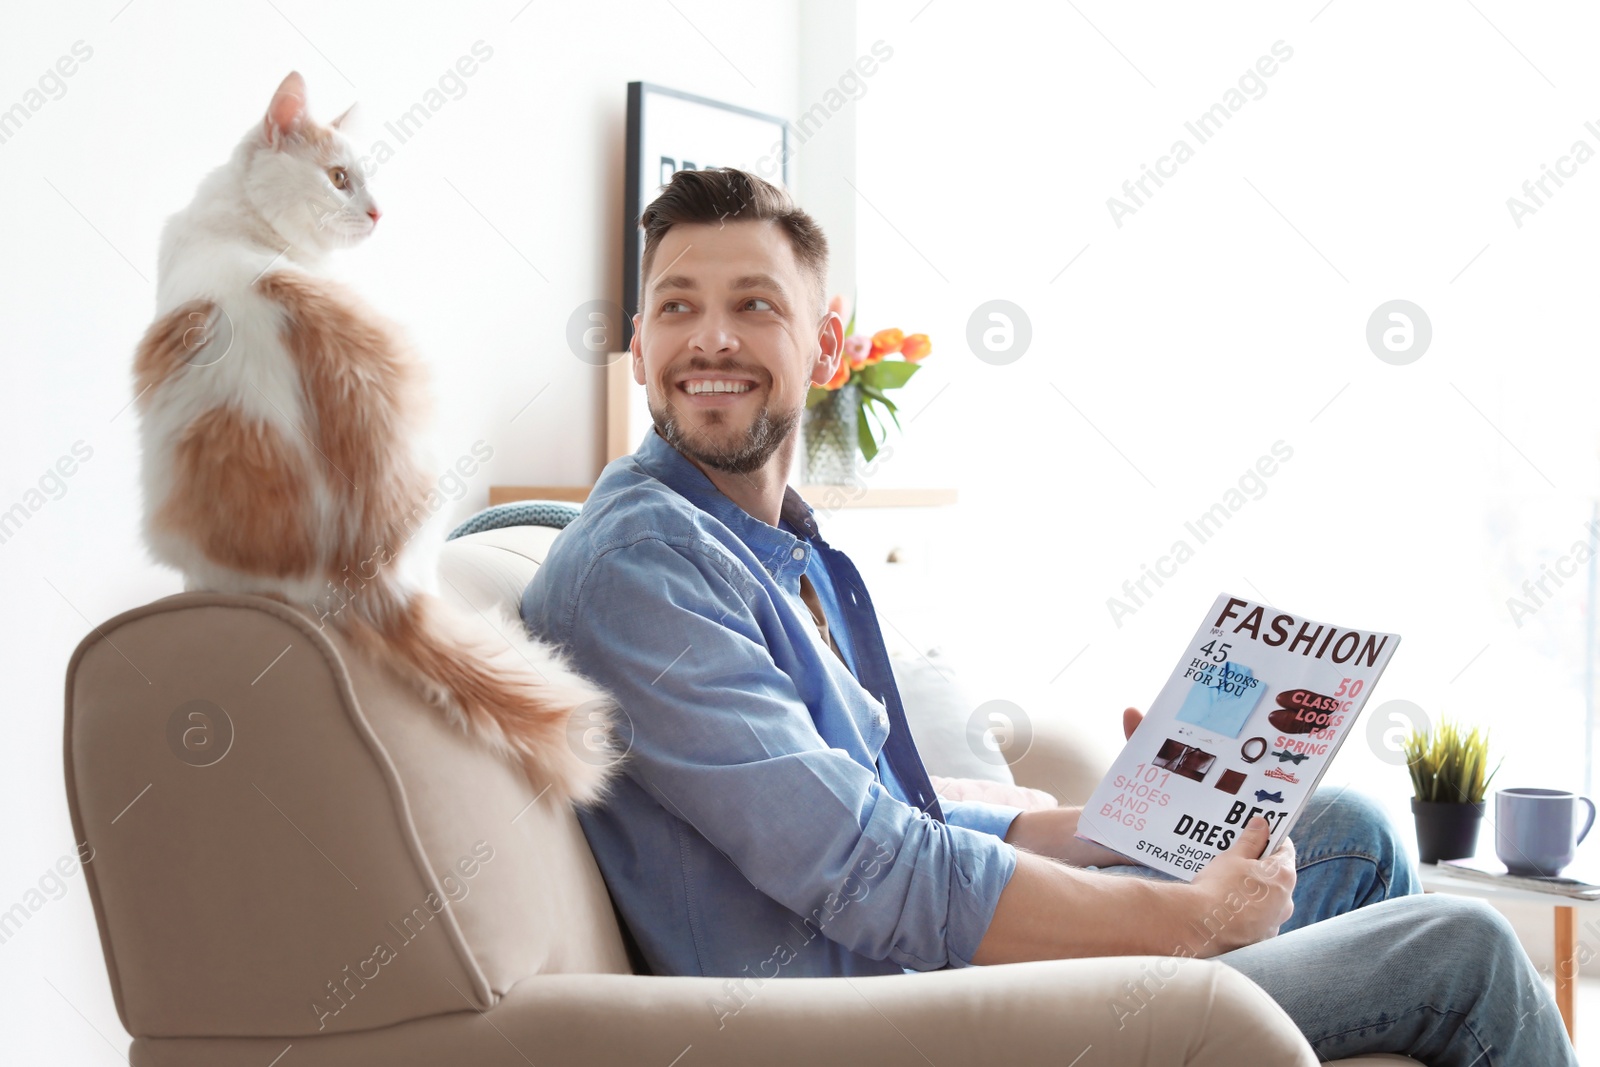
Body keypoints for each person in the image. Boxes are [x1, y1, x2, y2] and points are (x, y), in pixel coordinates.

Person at [521, 167, 1575, 1065]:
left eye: (754, 304)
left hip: (921, 963)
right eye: (675, 305)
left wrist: (1123, 816)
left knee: (1338, 824)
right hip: (893, 1019)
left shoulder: (776, 548)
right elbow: (877, 873)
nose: (710, 338)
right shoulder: (642, 568)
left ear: (824, 342)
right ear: (638, 338)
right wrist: (1184, 916)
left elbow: (903, 815)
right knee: (1466, 949)